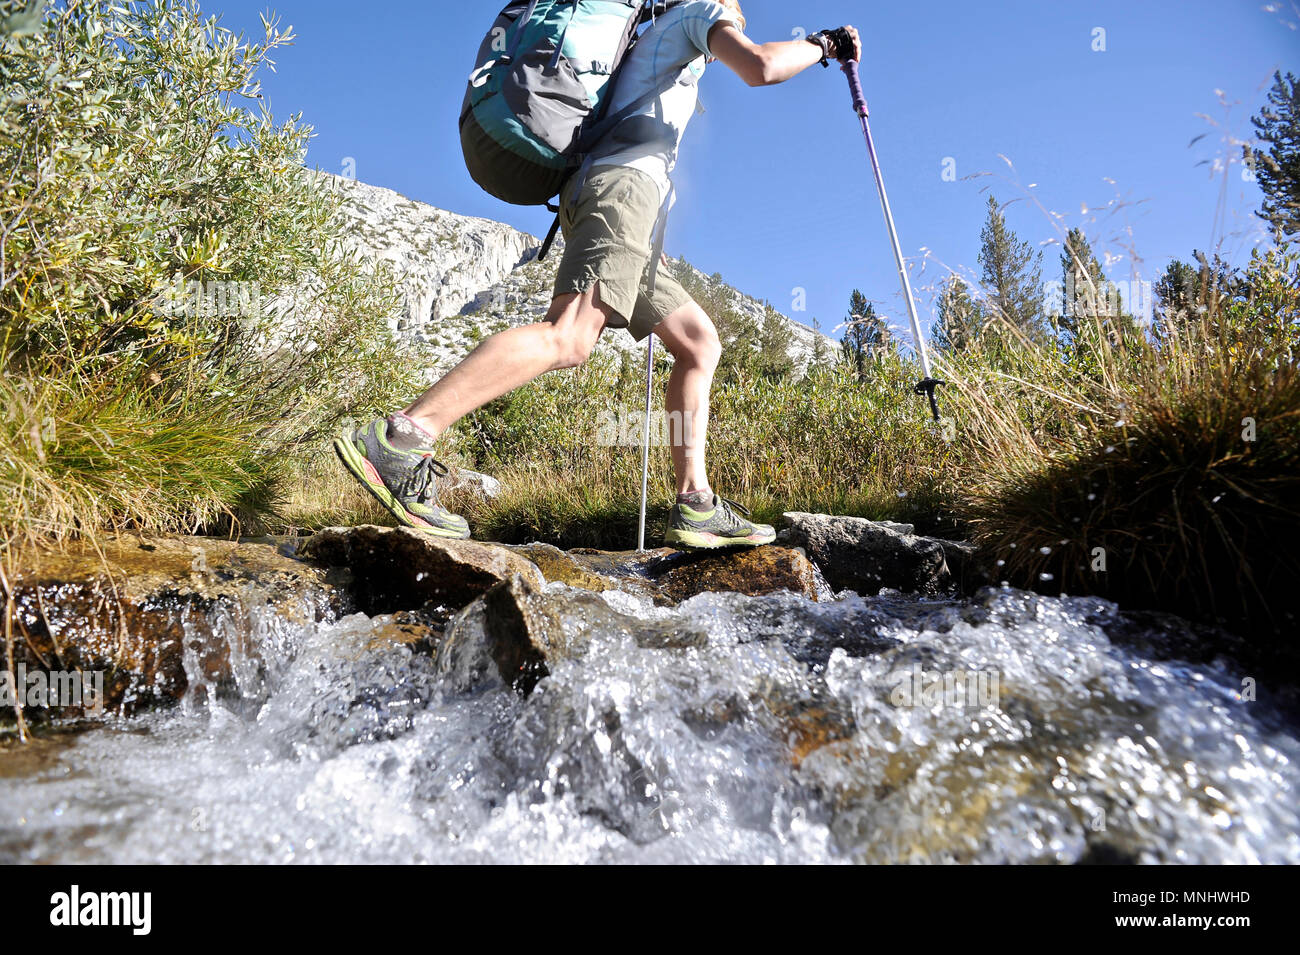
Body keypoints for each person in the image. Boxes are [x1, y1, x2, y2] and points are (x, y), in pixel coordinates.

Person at [334, 1, 861, 548]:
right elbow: (761, 67)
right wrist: (825, 45)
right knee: (570, 337)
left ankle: (696, 503)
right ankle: (402, 438)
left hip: (613, 196)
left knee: (698, 343)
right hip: (621, 192)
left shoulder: (656, 31)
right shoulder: (695, 12)